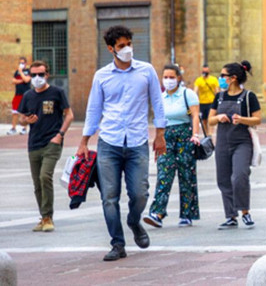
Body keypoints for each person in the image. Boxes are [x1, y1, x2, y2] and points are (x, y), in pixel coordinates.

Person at [78, 25, 167, 262]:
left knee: (140, 193)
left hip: (138, 141)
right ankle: (117, 244)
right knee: (109, 196)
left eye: (129, 44)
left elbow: (158, 103)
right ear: (111, 49)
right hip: (109, 142)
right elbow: (94, 109)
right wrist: (84, 141)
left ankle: (134, 221)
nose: (127, 49)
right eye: (121, 46)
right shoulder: (102, 76)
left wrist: (160, 134)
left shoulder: (146, 71)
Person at [143, 64, 202, 229]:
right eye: (165, 77)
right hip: (166, 136)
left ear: (178, 78)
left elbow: (195, 115)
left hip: (184, 135)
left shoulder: (187, 94)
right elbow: (158, 119)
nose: (168, 80)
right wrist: (157, 138)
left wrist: (195, 135)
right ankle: (158, 213)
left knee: (186, 175)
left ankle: (187, 214)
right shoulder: (160, 97)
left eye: (171, 77)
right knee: (164, 173)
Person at [18, 60, 73, 233]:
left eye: (41, 74)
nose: (37, 78)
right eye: (33, 75)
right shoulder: (28, 95)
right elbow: (21, 118)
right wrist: (26, 120)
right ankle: (43, 217)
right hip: (34, 143)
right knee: (37, 183)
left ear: (47, 75)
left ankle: (48, 217)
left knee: (44, 176)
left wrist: (60, 135)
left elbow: (69, 115)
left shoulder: (57, 92)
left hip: (52, 142)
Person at [208, 61, 261, 230]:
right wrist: (218, 118)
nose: (220, 78)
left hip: (242, 142)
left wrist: (242, 119)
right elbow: (210, 120)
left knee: (240, 176)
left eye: (223, 75)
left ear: (233, 78)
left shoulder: (248, 96)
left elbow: (257, 119)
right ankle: (230, 216)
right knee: (223, 179)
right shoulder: (219, 97)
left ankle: (245, 212)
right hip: (223, 142)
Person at [8, 57, 31, 135]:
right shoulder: (16, 72)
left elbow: (27, 80)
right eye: (20, 63)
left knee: (24, 112)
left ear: (25, 63)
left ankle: (24, 128)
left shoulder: (28, 71)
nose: (21, 64)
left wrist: (21, 72)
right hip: (17, 94)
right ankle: (13, 128)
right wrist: (22, 80)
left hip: (26, 94)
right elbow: (13, 81)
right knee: (14, 112)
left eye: (22, 63)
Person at [193, 65, 219, 135]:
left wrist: (218, 100)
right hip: (202, 102)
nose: (205, 72)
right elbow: (195, 90)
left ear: (209, 71)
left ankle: (210, 133)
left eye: (206, 71)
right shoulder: (199, 80)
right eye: (203, 71)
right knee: (204, 120)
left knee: (210, 118)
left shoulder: (213, 79)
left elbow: (217, 91)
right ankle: (206, 133)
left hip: (211, 102)